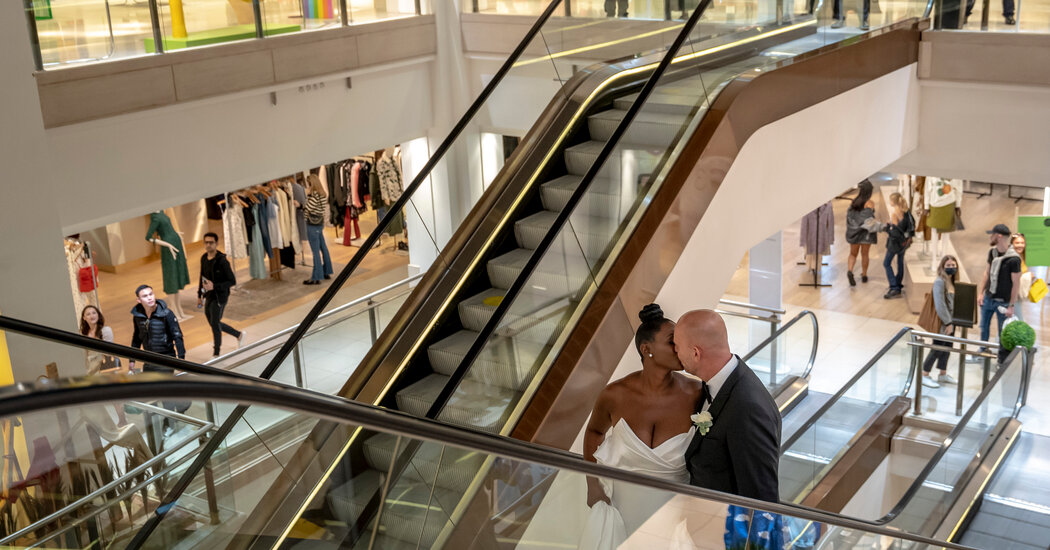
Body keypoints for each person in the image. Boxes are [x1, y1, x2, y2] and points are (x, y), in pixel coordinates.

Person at [583, 304, 701, 537]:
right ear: (647, 349)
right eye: (672, 341)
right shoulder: (615, 394)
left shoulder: (697, 394)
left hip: (674, 515)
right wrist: (593, 484)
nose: (681, 347)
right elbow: (595, 432)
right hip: (619, 507)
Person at [675, 309, 780, 502]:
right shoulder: (713, 385)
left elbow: (760, 495)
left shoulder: (748, 408)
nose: (675, 353)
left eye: (677, 346)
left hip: (724, 526)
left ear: (696, 353)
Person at [197, 231, 244, 358]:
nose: (208, 245)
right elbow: (202, 278)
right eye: (206, 242)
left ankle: (216, 353)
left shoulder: (222, 261)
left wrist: (215, 286)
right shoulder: (203, 258)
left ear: (216, 243)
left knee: (215, 324)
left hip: (220, 297)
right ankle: (238, 334)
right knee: (214, 323)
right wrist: (199, 296)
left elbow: (232, 281)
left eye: (211, 242)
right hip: (209, 295)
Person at [977, 224, 1021, 348]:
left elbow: (1016, 284)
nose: (990, 237)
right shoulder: (992, 253)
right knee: (983, 327)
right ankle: (982, 352)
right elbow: (987, 273)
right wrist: (981, 293)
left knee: (1003, 332)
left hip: (1003, 302)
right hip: (988, 298)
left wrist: (1011, 305)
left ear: (999, 236)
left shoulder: (1014, 259)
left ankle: (1002, 360)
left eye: (992, 235)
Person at [921, 256, 960, 388]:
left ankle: (942, 374)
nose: (951, 268)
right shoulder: (940, 282)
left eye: (953, 265)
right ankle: (924, 374)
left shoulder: (952, 281)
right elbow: (940, 305)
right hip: (944, 322)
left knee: (947, 348)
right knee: (937, 347)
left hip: (951, 322)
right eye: (948, 265)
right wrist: (948, 322)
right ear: (942, 267)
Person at [129, 284, 186, 372]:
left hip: (166, 358)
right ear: (139, 300)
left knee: (161, 384)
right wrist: (132, 360)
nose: (149, 298)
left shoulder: (167, 314)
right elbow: (137, 338)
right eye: (145, 296)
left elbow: (177, 336)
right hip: (148, 359)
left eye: (151, 294)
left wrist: (181, 359)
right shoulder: (138, 317)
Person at [845, 180, 880, 287]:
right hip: (865, 234)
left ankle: (850, 271)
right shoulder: (870, 203)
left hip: (855, 232)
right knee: (865, 254)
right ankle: (864, 275)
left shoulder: (854, 202)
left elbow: (851, 217)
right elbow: (869, 219)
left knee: (852, 254)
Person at [882, 192, 914, 299]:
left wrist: (887, 228)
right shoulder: (906, 212)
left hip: (895, 243)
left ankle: (894, 287)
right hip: (904, 243)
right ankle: (898, 284)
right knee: (900, 262)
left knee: (886, 263)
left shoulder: (894, 214)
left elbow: (895, 232)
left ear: (893, 202)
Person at [304, 174, 334, 285]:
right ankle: (327, 271)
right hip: (319, 223)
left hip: (312, 224)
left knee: (315, 251)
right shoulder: (322, 193)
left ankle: (316, 277)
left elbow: (308, 208)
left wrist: (307, 197)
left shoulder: (314, 194)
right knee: (323, 248)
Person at [80, 305, 116, 375]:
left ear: (98, 315)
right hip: (92, 368)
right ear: (84, 318)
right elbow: (85, 355)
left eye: (94, 313)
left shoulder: (106, 330)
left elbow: (109, 352)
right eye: (88, 314)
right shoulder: (83, 334)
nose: (92, 316)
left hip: (106, 367)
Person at [1011, 233, 1031, 322]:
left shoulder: (1021, 257)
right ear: (1012, 244)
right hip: (1012, 297)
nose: (1020, 245)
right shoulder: (1012, 258)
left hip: (1017, 297)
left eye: (1022, 243)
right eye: (1017, 243)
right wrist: (1027, 276)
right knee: (1019, 321)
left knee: (1009, 323)